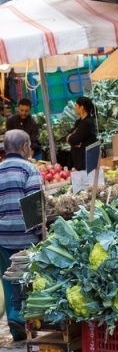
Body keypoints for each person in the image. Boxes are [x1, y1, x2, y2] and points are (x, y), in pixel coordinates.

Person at [0, 130, 42, 340]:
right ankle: (30, 320)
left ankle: (15, 319)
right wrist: (39, 234)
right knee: (27, 279)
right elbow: (34, 207)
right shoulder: (29, 169)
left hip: (3, 237)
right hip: (26, 237)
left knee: (8, 278)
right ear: (25, 146)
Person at [66, 97, 98, 171]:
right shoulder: (78, 122)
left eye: (76, 105)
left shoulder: (88, 123)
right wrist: (72, 138)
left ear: (82, 108)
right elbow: (68, 137)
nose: (74, 107)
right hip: (78, 158)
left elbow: (73, 139)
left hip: (85, 158)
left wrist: (72, 138)